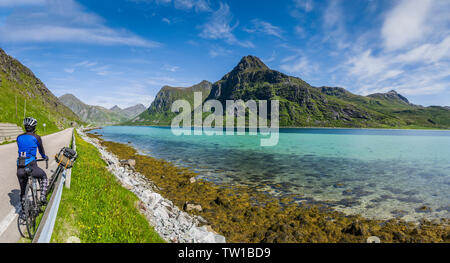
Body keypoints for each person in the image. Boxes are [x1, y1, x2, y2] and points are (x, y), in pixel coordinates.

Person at [16, 117, 48, 205]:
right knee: (43, 176)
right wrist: (44, 157)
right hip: (31, 165)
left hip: (20, 168)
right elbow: (41, 150)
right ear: (34, 127)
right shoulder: (36, 137)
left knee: (23, 189)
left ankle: (23, 206)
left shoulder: (18, 137)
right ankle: (42, 197)